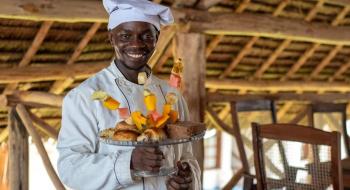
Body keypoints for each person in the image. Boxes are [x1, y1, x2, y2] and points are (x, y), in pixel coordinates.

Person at [56, 0, 201, 189]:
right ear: (111, 37)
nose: (136, 44)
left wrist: (187, 179)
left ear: (157, 38)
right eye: (125, 35)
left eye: (146, 36)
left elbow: (187, 156)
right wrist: (129, 162)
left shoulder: (172, 96)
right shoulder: (84, 97)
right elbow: (70, 169)